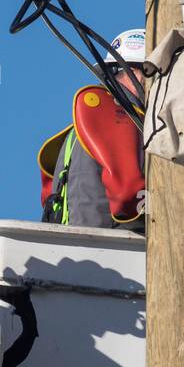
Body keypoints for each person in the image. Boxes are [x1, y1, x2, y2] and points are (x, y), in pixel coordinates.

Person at [38, 29, 146, 231]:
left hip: (80, 246)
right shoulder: (118, 117)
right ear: (135, 71)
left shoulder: (88, 123)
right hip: (111, 249)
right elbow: (126, 196)